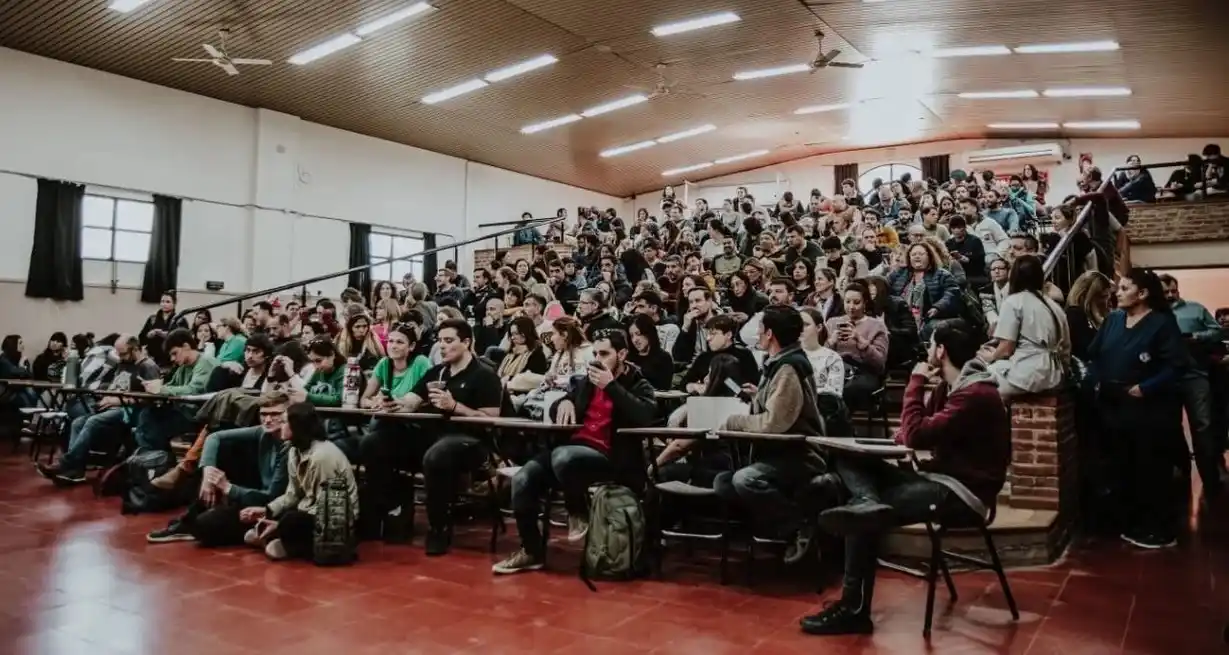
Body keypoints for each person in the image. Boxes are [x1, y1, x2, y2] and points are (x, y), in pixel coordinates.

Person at [801, 319, 1010, 636]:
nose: (926, 351)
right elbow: (909, 433)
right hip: (936, 479)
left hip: (963, 494)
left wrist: (914, 382)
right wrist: (913, 431)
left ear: (940, 351)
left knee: (862, 516)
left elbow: (913, 433)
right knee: (848, 457)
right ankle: (866, 502)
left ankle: (853, 610)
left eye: (931, 345)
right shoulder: (950, 389)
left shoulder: (977, 394)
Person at [492, 329, 657, 574]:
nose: (598, 360)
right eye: (595, 353)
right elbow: (563, 399)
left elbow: (645, 416)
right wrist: (565, 401)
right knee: (524, 478)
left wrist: (611, 386)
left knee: (564, 458)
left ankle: (576, 510)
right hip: (573, 449)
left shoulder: (639, 383)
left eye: (605, 354)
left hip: (610, 457)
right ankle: (531, 551)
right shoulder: (584, 382)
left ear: (622, 354)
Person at [716, 305, 828, 564]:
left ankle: (799, 526)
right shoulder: (778, 363)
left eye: (760, 329)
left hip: (798, 455)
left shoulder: (789, 367)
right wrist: (759, 396)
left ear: (770, 334)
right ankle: (770, 533)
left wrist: (734, 422)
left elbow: (772, 424)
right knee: (723, 482)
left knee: (745, 480)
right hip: (776, 454)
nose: (757, 334)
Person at [1085, 268, 1186, 549]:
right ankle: (1132, 522)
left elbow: (1176, 365)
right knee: (1124, 465)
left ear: (1142, 294)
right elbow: (1093, 355)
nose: (1118, 292)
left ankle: (1160, 530)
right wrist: (1095, 381)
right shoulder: (1114, 320)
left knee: (1151, 468)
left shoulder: (1162, 323)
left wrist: (1146, 387)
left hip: (1149, 407)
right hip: (1114, 404)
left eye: (1125, 288)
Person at [390, 319, 504, 555]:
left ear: (466, 343)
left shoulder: (484, 376)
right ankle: (387, 517)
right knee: (379, 442)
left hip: (471, 443)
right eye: (440, 341)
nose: (442, 346)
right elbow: (411, 400)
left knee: (437, 455)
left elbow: (490, 419)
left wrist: (455, 406)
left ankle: (438, 528)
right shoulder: (437, 372)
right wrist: (393, 403)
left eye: (449, 341)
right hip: (434, 436)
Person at [145, 392, 291, 544]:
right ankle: (190, 519)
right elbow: (214, 437)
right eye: (263, 414)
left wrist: (229, 488)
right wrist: (208, 471)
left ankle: (260, 531)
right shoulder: (263, 432)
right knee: (225, 447)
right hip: (252, 494)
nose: (267, 420)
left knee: (204, 526)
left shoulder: (289, 447)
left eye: (275, 414)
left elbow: (272, 497)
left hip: (271, 506)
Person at [36, 334, 161, 485]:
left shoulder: (148, 366)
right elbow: (117, 385)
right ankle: (75, 471)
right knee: (78, 422)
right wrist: (106, 395)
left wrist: (119, 400)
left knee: (93, 421)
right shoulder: (123, 363)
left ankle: (67, 463)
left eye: (123, 354)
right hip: (113, 405)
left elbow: (153, 397)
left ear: (135, 349)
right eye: (118, 354)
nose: (120, 358)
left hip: (132, 411)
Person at [242, 402, 358, 561]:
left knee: (290, 521)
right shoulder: (293, 451)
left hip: (335, 519)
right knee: (260, 526)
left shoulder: (322, 456)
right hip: (309, 511)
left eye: (284, 422)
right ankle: (282, 541)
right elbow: (292, 494)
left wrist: (279, 525)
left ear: (297, 426)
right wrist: (266, 511)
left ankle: (284, 541)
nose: (280, 426)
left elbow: (327, 506)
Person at [1160, 274, 1227, 498]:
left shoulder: (1196, 309)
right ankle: (1180, 476)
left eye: (1173, 291)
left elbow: (1219, 330)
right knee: (1169, 426)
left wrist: (1197, 337)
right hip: (1165, 378)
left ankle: (1211, 480)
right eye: (1166, 292)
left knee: (1203, 425)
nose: (1170, 295)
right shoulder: (1155, 314)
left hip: (1195, 375)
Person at [979, 255, 1070, 399]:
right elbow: (1066, 348)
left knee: (975, 383)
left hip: (1029, 375)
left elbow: (1006, 348)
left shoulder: (1013, 302)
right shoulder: (1054, 305)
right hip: (1055, 375)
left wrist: (991, 356)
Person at [825, 282, 890, 408]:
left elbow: (880, 363)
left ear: (865, 303)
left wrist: (861, 342)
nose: (851, 307)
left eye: (856, 302)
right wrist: (831, 342)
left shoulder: (876, 326)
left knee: (849, 390)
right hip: (836, 369)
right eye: (848, 302)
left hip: (863, 372)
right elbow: (820, 354)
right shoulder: (832, 323)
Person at [679, 315, 759, 393]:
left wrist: (715, 384)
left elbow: (751, 386)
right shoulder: (703, 357)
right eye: (707, 334)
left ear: (728, 335)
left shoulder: (744, 355)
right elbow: (684, 384)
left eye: (713, 334)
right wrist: (695, 386)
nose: (708, 338)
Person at [799, 308, 845, 396]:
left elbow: (834, 393)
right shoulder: (789, 354)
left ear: (819, 327)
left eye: (806, 325)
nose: (801, 329)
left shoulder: (832, 357)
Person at [139, 290, 189, 367]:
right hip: (153, 359)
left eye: (168, 302)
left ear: (174, 304)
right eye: (162, 301)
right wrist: (148, 335)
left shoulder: (180, 320)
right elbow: (141, 339)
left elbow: (185, 340)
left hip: (172, 360)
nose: (164, 304)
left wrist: (166, 335)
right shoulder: (152, 319)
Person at [626, 314, 674, 391]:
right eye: (632, 336)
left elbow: (664, 387)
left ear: (648, 332)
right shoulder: (629, 358)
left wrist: (639, 372)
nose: (635, 340)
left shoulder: (664, 358)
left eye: (638, 334)